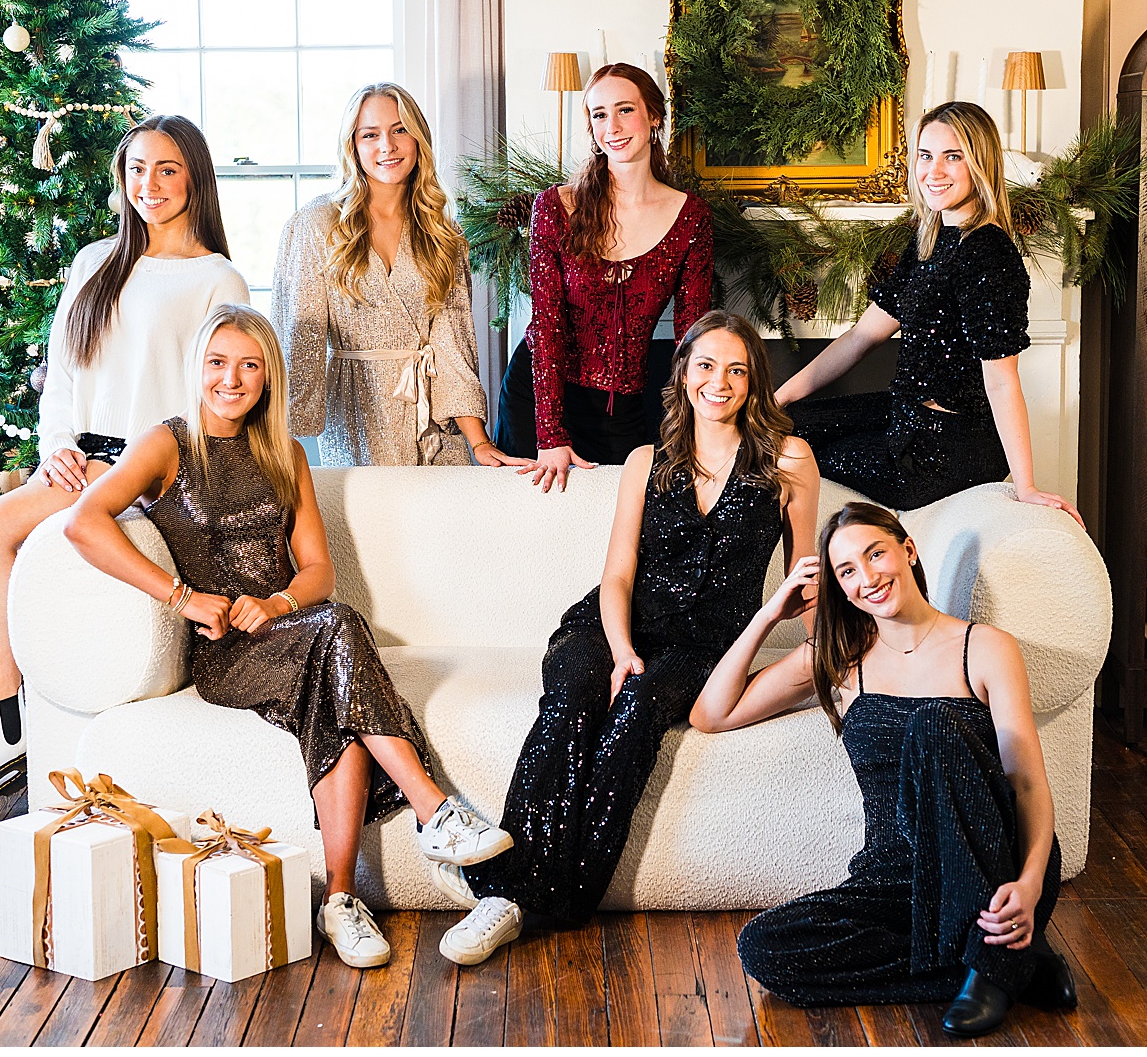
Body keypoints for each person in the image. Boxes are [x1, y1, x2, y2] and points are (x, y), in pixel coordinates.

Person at [63, 304, 511, 968]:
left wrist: (276, 602)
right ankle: (435, 812)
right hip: (225, 653)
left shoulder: (284, 452)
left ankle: (339, 901)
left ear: (268, 376)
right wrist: (182, 597)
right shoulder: (167, 443)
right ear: (198, 368)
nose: (231, 379)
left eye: (249, 365)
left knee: (336, 679)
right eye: (218, 363)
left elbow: (319, 571)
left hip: (291, 629)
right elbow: (83, 523)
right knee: (339, 630)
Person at [433, 311, 821, 965]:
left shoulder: (789, 460)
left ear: (754, 380)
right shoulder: (647, 460)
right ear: (684, 374)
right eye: (705, 365)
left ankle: (548, 902)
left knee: (637, 709)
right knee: (573, 699)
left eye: (736, 369)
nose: (718, 381)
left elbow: (803, 585)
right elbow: (615, 575)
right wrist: (620, 651)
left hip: (703, 650)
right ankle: (499, 898)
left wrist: (843, 651)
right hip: (607, 625)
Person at [0, 116, 250, 831]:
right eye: (135, 170)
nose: (148, 185)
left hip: (145, 469)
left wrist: (150, 468)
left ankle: (3, 733)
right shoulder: (95, 259)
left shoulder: (216, 276)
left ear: (193, 177)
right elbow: (63, 367)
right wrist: (55, 444)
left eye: (165, 169)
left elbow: (216, 391)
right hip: (79, 461)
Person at [687, 500, 1077, 1038]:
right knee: (764, 948)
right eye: (847, 570)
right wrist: (769, 613)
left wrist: (1031, 883)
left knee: (933, 723)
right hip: (893, 878)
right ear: (840, 587)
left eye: (876, 554)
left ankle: (991, 963)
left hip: (992, 864)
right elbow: (712, 715)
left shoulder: (984, 647)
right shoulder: (839, 656)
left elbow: (1027, 781)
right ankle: (1004, 963)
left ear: (908, 551)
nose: (867, 577)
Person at [773, 101, 1081, 521]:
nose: (933, 171)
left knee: (798, 451)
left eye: (952, 156)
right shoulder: (930, 240)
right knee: (783, 422)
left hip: (941, 448)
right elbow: (862, 337)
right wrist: (779, 397)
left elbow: (1002, 380)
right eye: (925, 155)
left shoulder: (987, 251)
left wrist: (1025, 485)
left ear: (980, 163)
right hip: (904, 413)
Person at [270, 82, 524, 468]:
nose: (387, 146)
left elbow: (452, 344)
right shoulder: (316, 224)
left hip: (436, 426)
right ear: (352, 145)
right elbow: (297, 339)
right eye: (370, 135)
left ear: (418, 138)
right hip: (357, 416)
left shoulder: (443, 232)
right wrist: (281, 443)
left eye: (399, 129)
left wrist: (479, 443)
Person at [492, 62, 715, 491]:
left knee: (622, 528)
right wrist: (551, 435)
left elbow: (693, 337)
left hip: (626, 404)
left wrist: (697, 433)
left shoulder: (691, 217)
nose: (611, 125)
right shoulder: (554, 207)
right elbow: (548, 324)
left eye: (625, 109)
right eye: (598, 114)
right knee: (532, 528)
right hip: (539, 395)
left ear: (654, 116)